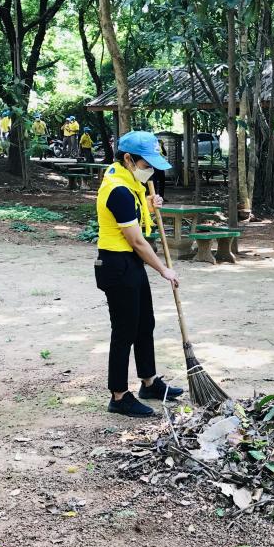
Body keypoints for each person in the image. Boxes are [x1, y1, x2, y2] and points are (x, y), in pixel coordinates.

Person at [94, 130, 183, 417]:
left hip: (130, 263)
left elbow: (131, 214)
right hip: (117, 265)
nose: (151, 170)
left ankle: (149, 382)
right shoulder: (117, 189)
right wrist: (163, 270)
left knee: (145, 323)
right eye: (147, 164)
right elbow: (136, 240)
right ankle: (118, 396)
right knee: (124, 330)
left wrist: (147, 204)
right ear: (129, 159)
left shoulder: (128, 181)